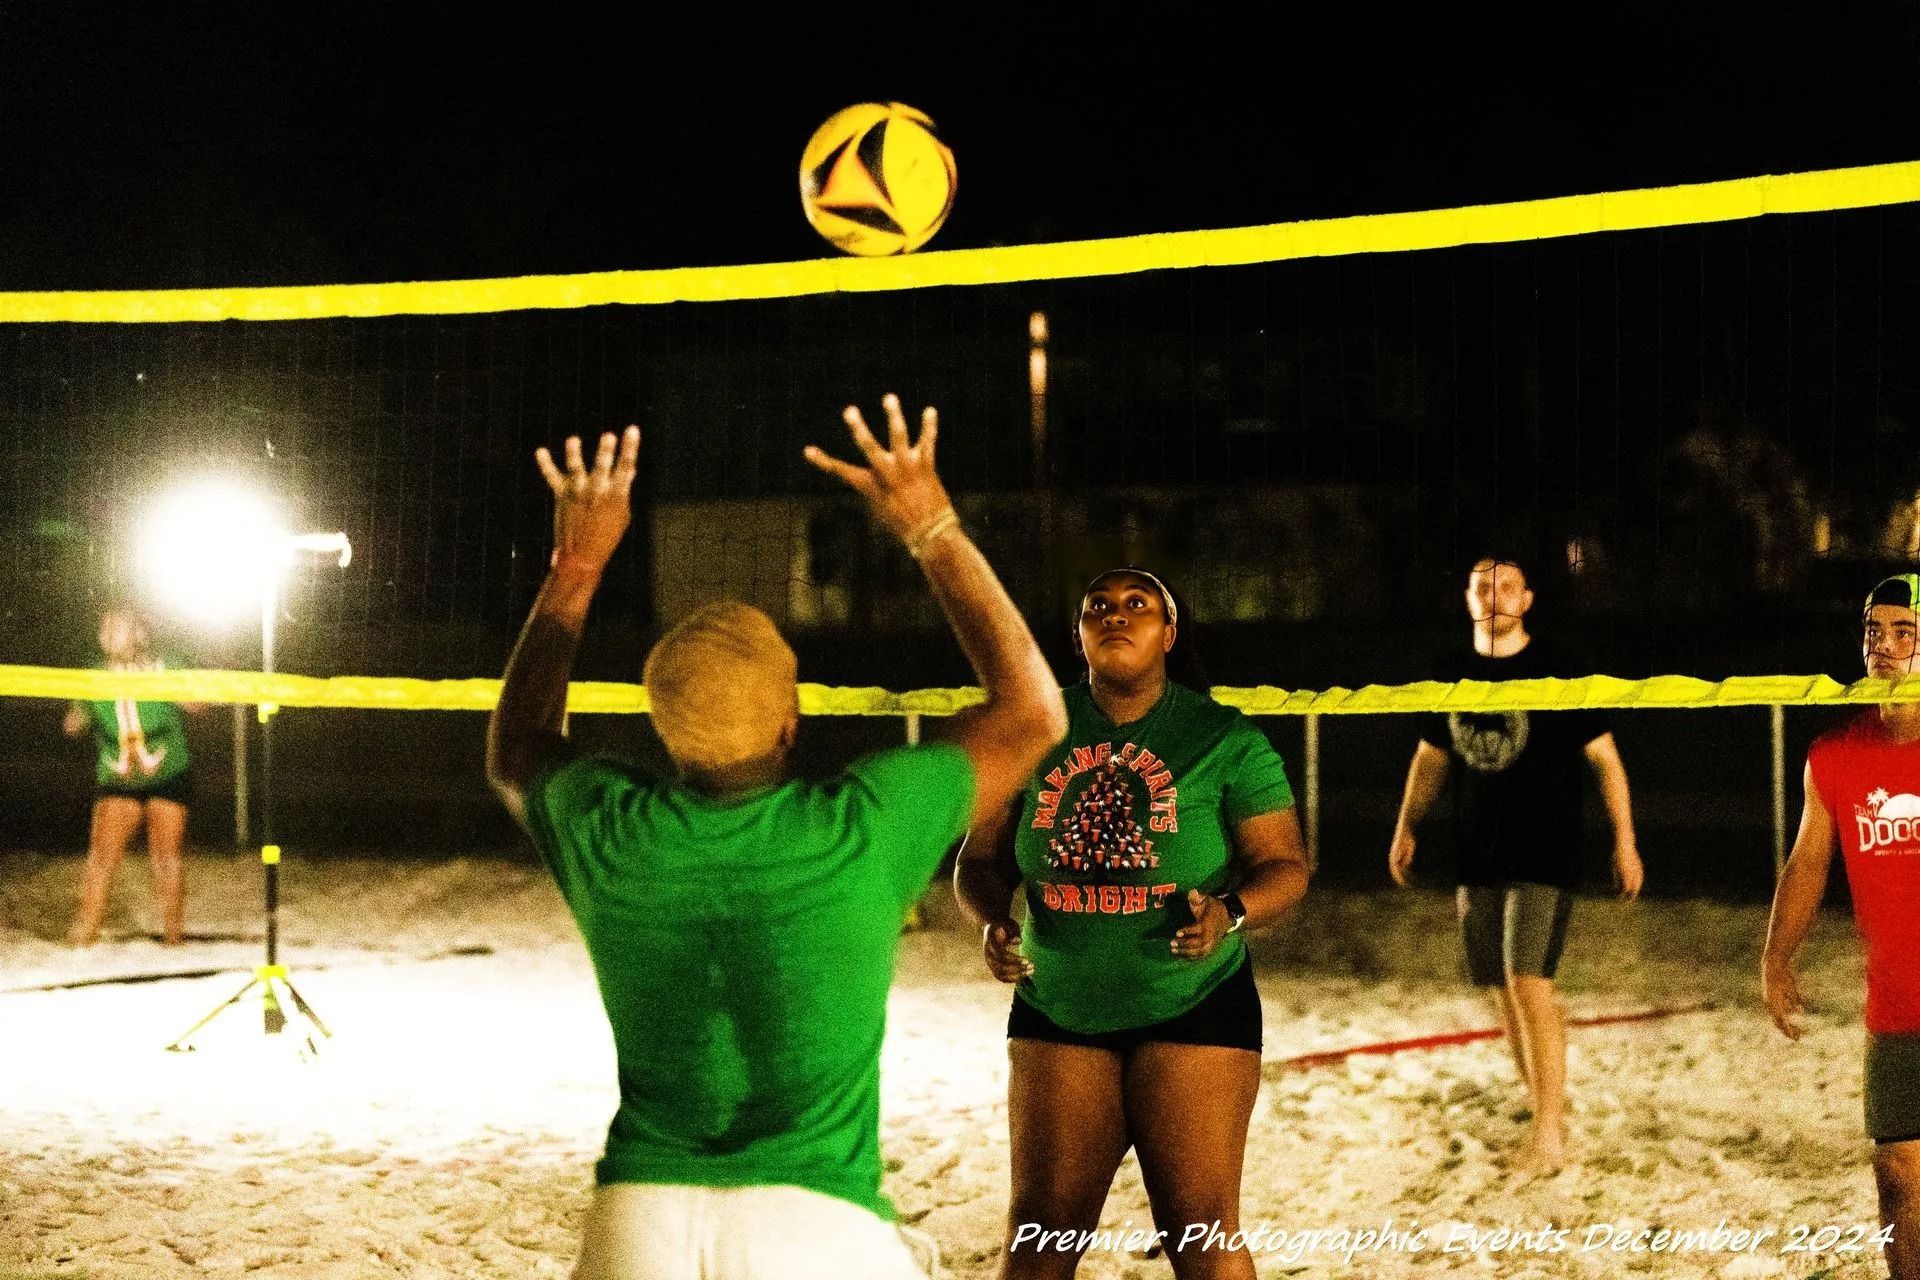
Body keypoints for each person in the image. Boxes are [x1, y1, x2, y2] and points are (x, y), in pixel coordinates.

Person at [486, 396, 1065, 1280]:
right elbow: (1033, 710)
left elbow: (516, 748)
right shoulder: (862, 825)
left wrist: (575, 567)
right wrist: (931, 526)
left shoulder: (608, 828)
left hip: (637, 1222)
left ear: (666, 732)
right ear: (791, 721)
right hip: (814, 1222)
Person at [955, 567, 1311, 1280]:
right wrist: (992, 919)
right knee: (1040, 1234)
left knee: (1199, 1229)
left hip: (1193, 1003)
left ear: (1169, 633)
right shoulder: (1035, 731)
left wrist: (1230, 913)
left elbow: (1285, 866)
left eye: (1137, 605)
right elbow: (979, 860)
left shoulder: (1221, 737)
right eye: (1098, 607)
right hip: (1058, 1005)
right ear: (1079, 636)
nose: (1115, 615)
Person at [1387, 554, 1642, 1173]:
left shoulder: (1560, 668)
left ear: (1527, 600)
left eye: (1506, 586)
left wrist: (1625, 840)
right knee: (1500, 989)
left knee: (1529, 980)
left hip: (1546, 848)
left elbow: (1605, 760)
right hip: (1476, 850)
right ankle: (1543, 1105)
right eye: (1482, 587)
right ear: (1467, 599)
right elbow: (1431, 758)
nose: (1494, 595)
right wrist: (1406, 826)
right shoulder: (1450, 673)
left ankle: (1549, 1134)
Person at [1764, 573, 1920, 1280]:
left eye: (1904, 632)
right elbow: (1806, 862)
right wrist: (1776, 958)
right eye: (1873, 631)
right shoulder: (1835, 754)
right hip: (1895, 1002)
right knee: (1897, 1171)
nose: (1883, 646)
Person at [63, 605, 196, 946]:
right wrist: (77, 713)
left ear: (138, 634)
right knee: (102, 858)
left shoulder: (166, 664)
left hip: (168, 772)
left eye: (116, 627)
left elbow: (200, 705)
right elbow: (73, 725)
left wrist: (180, 690)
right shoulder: (93, 675)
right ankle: (85, 933)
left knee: (166, 858)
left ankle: (173, 938)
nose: (106, 634)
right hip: (118, 777)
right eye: (103, 628)